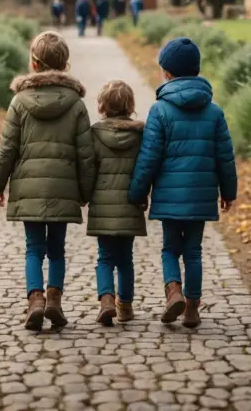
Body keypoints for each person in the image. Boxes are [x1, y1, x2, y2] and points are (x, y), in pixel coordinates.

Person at [128, 37, 237, 329]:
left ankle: (172, 291)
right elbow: (225, 157)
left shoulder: (159, 111)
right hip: (201, 197)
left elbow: (149, 157)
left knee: (169, 249)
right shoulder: (214, 112)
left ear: (167, 73)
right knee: (194, 252)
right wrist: (229, 192)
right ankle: (191, 308)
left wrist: (138, 192)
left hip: (168, 197)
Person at [0, 31, 96, 330]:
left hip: (29, 188)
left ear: (34, 65)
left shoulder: (19, 102)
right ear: (64, 66)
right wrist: (84, 191)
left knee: (34, 248)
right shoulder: (76, 104)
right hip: (63, 189)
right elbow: (86, 154)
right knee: (58, 249)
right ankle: (54, 300)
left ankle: (35, 299)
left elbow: (7, 149)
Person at [87, 80, 146, 325]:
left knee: (104, 257)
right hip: (129, 204)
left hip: (102, 203)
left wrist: (86, 194)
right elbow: (144, 168)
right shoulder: (140, 135)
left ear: (102, 106)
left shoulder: (95, 133)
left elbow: (88, 169)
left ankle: (106, 300)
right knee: (125, 258)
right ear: (130, 106)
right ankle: (126, 306)